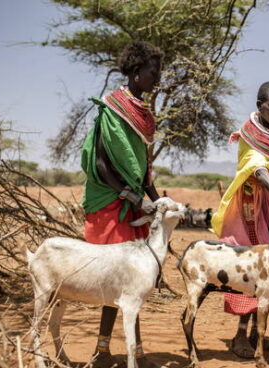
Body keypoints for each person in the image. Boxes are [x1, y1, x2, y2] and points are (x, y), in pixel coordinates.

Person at [81, 41, 163, 368]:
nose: (156, 79)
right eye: (152, 72)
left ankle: (130, 351)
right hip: (109, 204)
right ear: (135, 71)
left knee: (132, 284)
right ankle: (105, 350)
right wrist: (131, 196)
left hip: (133, 209)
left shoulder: (144, 116)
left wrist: (160, 202)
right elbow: (101, 164)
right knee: (119, 282)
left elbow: (142, 173)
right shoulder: (111, 110)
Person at [210, 81, 269, 358]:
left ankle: (257, 333)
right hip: (249, 208)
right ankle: (240, 335)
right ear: (259, 106)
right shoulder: (249, 134)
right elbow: (258, 170)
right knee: (250, 270)